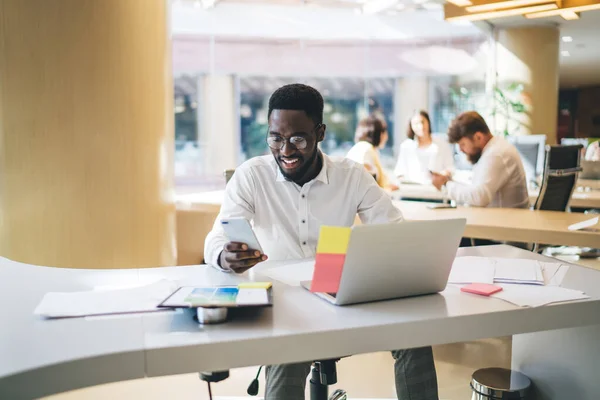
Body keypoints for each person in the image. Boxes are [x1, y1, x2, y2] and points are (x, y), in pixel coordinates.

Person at [204, 84, 438, 400]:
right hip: (280, 296)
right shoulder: (251, 175)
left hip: (339, 287)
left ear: (320, 133)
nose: (285, 150)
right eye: (276, 138)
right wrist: (223, 255)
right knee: (289, 352)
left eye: (298, 139)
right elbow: (216, 237)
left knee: (415, 334)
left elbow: (394, 232)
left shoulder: (351, 176)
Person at [430, 111, 529, 209]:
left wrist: (446, 185)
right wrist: (449, 182)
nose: (460, 150)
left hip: (505, 222)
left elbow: (480, 197)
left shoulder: (496, 153)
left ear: (478, 137)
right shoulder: (492, 150)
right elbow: (477, 188)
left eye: (463, 144)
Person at [394, 110, 454, 184]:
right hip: (412, 191)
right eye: (416, 124)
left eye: (423, 122)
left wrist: (441, 176)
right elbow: (399, 171)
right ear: (411, 126)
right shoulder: (406, 146)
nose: (421, 126)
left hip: (436, 190)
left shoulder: (441, 143)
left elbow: (449, 168)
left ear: (428, 122)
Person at [346, 116, 399, 191]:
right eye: (385, 132)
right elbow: (363, 187)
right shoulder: (366, 150)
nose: (387, 137)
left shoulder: (361, 147)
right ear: (380, 134)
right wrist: (386, 190)